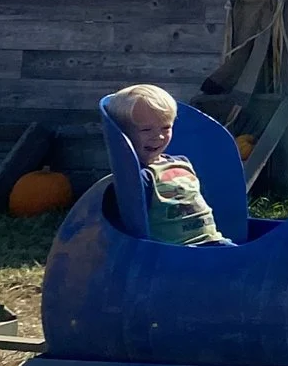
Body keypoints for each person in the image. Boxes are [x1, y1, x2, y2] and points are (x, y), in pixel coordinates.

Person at [100, 84, 234, 246]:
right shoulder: (139, 177)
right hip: (176, 251)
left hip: (213, 241)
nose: (158, 136)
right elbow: (124, 225)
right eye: (146, 130)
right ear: (124, 133)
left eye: (166, 127)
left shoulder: (182, 163)